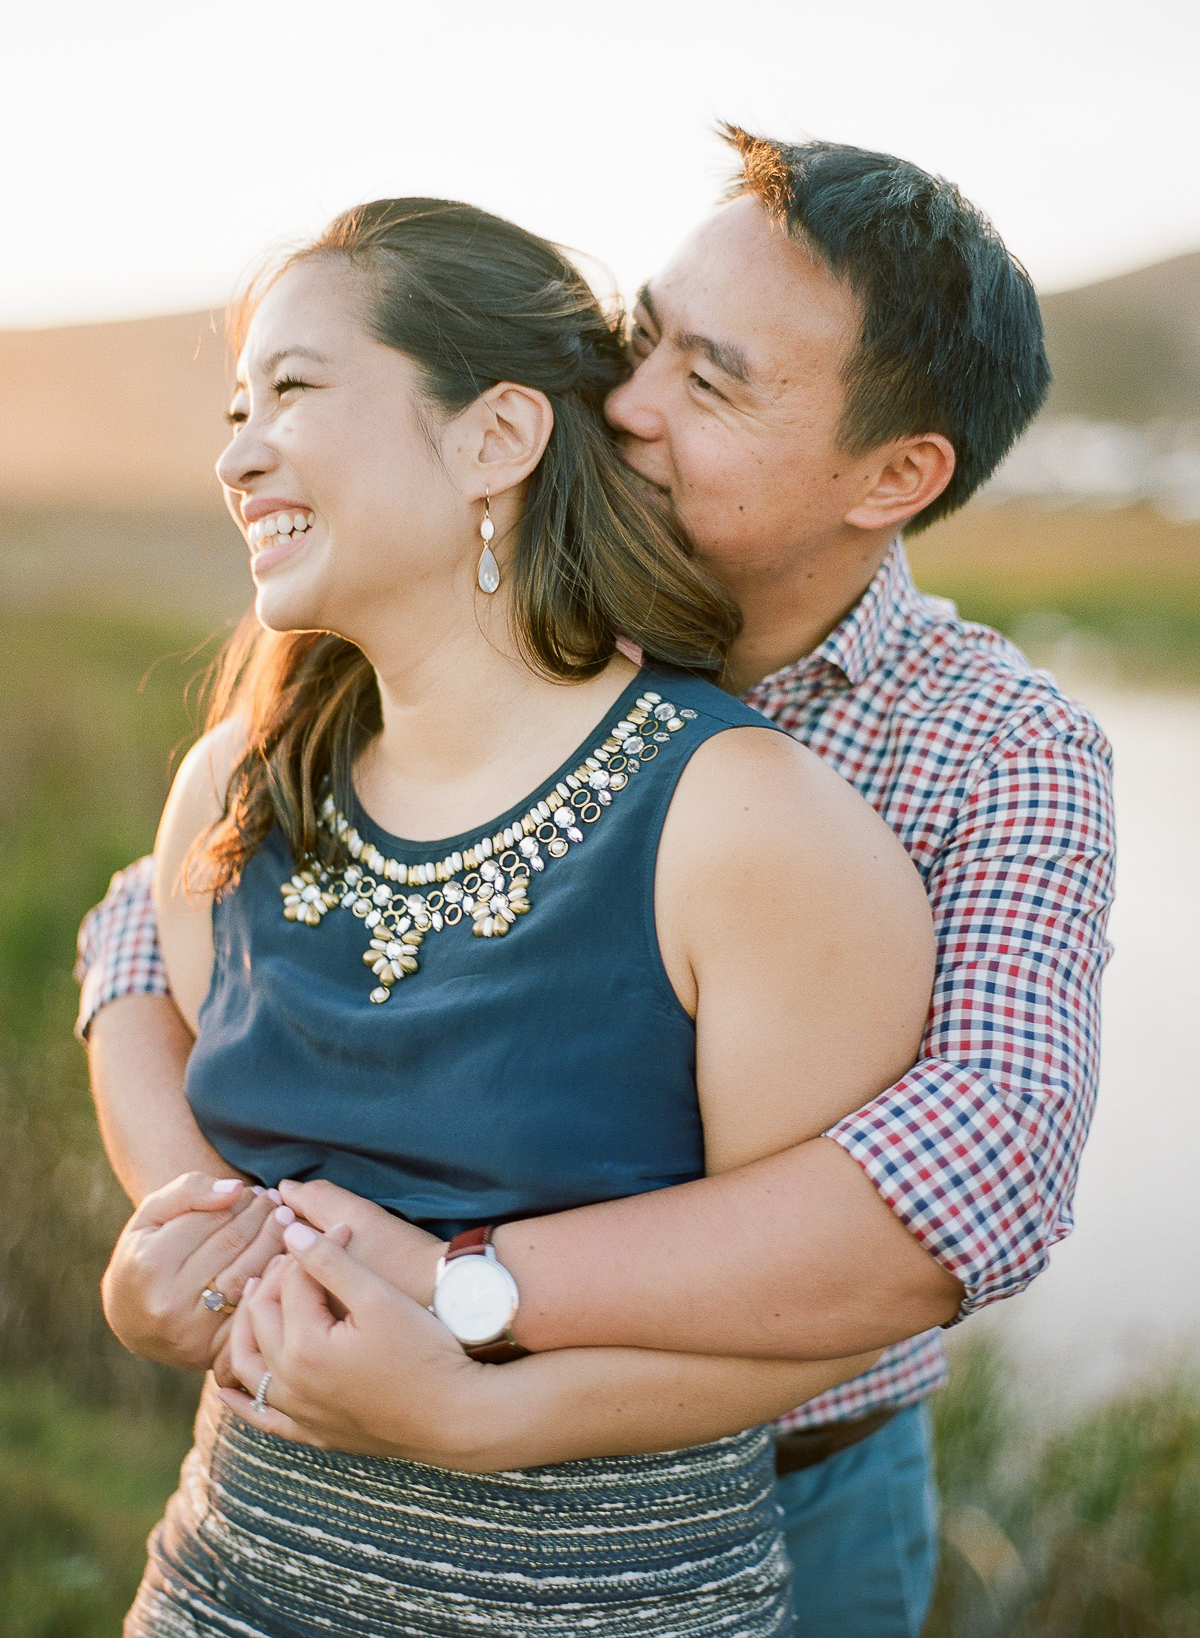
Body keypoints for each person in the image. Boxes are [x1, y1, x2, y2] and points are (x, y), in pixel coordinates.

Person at [81, 130, 1116, 1637]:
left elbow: (975, 1178)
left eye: (711, 380)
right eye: (642, 338)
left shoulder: (992, 748)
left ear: (894, 475)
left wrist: (462, 1292)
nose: (621, 405)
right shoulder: (482, 642)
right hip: (293, 1501)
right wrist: (210, 1241)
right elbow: (148, 924)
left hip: (781, 1473)